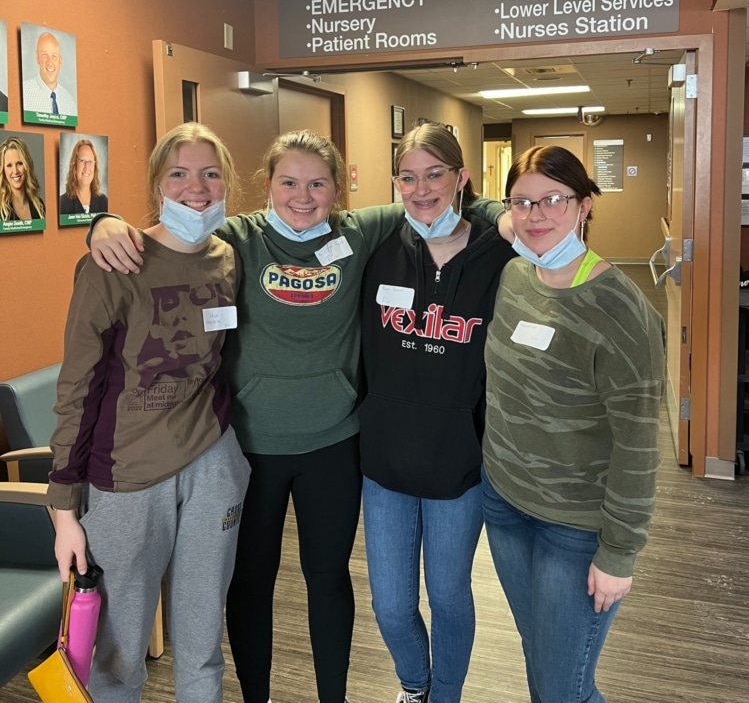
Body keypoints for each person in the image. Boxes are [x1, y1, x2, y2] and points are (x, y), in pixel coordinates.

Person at [88, 129, 507, 703]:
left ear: (338, 190)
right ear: (267, 185)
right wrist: (103, 223)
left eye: (318, 184)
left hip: (334, 444)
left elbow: (438, 196)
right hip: (248, 445)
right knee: (252, 584)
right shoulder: (234, 238)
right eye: (289, 183)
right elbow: (168, 236)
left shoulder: (358, 232)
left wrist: (507, 217)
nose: (303, 197)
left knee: (328, 580)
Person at [48, 122, 250, 703]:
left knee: (203, 639)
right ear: (158, 183)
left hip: (212, 462)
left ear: (227, 183)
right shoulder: (113, 262)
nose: (197, 188)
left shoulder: (227, 258)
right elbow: (77, 386)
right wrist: (64, 507)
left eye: (210, 173)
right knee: (117, 653)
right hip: (126, 477)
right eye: (179, 174)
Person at [482, 145, 666, 703]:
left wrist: (619, 554)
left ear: (584, 206)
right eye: (522, 202)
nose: (535, 215)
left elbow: (638, 446)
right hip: (505, 503)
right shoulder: (515, 275)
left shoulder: (622, 310)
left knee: (564, 687)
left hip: (575, 528)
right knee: (540, 659)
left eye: (553, 200)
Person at [359, 123, 514, 703]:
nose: (421, 190)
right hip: (384, 465)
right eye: (408, 177)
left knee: (448, 596)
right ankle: (414, 684)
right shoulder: (377, 249)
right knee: (390, 604)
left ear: (461, 177)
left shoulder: (500, 254)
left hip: (460, 464)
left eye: (435, 175)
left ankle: (445, 694)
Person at [22, 31, 77, 116]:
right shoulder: (24, 93)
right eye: (44, 55)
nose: (50, 62)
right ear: (37, 57)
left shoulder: (69, 102)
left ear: (60, 61)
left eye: (54, 56)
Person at [0, 136, 46, 221]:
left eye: (19, 163)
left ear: (26, 165)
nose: (15, 171)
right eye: (9, 165)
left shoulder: (39, 205)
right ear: (3, 170)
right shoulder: (1, 209)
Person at [60, 139, 108, 215]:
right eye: (82, 161)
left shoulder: (104, 202)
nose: (86, 167)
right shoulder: (62, 204)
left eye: (90, 162)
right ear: (74, 166)